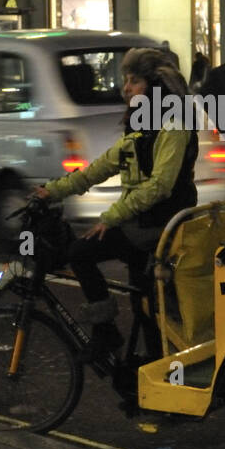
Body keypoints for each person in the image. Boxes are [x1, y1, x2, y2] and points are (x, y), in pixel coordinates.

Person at [34, 47, 198, 362]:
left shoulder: (172, 125)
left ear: (154, 87)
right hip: (143, 223)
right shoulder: (140, 127)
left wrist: (111, 218)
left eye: (134, 81)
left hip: (157, 226)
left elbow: (160, 186)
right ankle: (153, 374)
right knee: (145, 304)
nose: (126, 88)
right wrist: (52, 191)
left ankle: (106, 331)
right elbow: (101, 167)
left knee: (80, 252)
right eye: (125, 81)